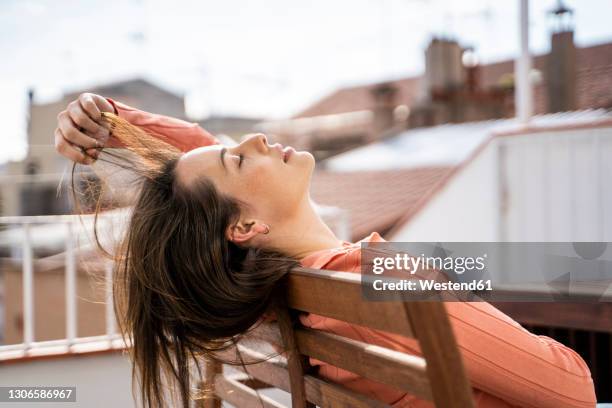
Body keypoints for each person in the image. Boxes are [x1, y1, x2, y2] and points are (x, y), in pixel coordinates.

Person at [54, 93, 597, 408]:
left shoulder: (289, 294)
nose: (256, 140)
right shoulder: (379, 278)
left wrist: (113, 121)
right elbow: (573, 390)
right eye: (238, 158)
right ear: (245, 226)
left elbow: (206, 167)